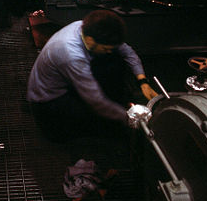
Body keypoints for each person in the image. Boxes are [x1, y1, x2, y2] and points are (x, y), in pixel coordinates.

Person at [27, 10, 158, 142]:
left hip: (65, 81)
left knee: (115, 58)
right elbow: (96, 100)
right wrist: (129, 118)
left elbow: (128, 53)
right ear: (90, 40)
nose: (108, 51)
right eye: (106, 48)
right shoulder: (71, 54)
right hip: (49, 101)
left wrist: (143, 82)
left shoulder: (87, 28)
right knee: (103, 123)